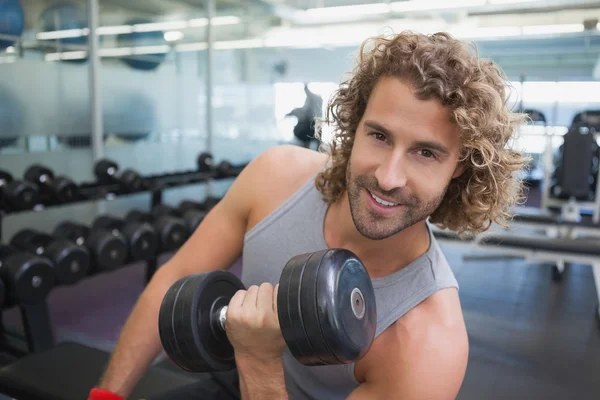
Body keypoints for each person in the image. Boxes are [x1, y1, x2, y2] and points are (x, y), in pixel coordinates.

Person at [88, 31, 528, 400]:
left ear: (461, 171)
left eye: (426, 153)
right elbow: (177, 276)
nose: (389, 177)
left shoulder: (429, 341)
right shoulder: (275, 177)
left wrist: (260, 359)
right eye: (378, 135)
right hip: (230, 380)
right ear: (353, 127)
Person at [286, 83, 323, 149]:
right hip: (305, 134)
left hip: (308, 131)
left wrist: (306, 88)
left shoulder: (314, 114)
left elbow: (310, 95)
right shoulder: (302, 111)